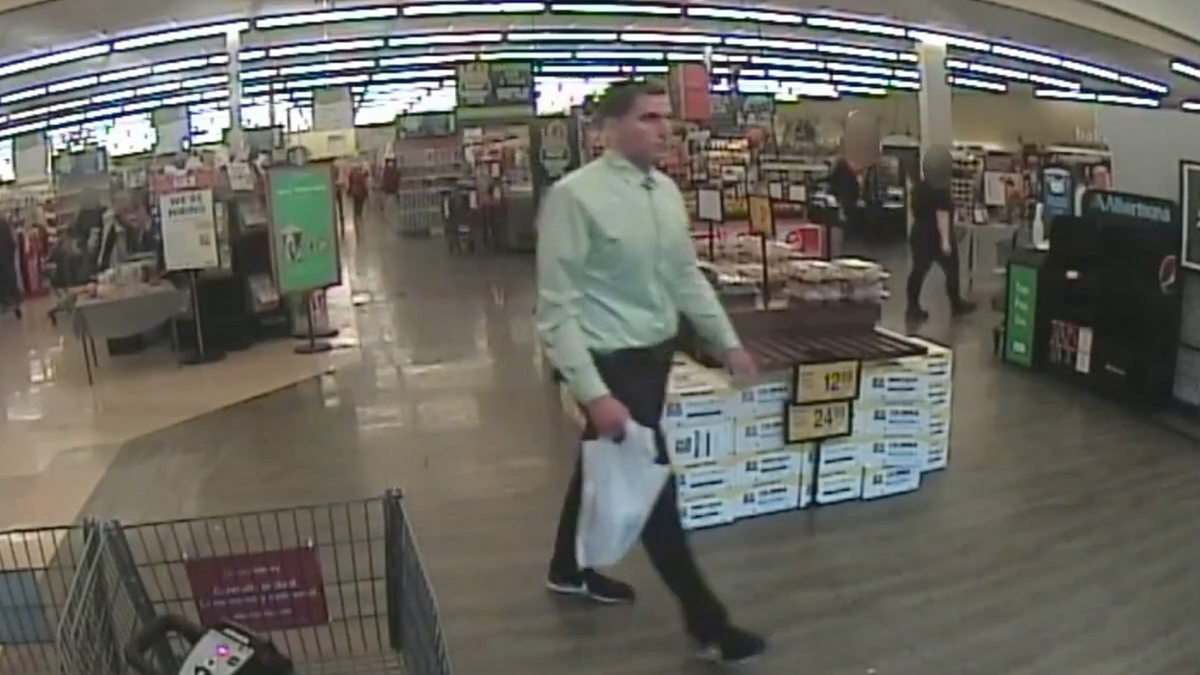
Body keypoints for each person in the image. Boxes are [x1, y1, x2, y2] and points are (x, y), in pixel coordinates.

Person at [536, 79, 766, 664]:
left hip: (657, 358)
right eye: (647, 118)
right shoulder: (573, 198)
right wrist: (591, 393)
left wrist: (727, 343)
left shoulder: (664, 192)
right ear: (608, 129)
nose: (662, 129)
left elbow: (684, 277)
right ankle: (708, 623)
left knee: (607, 461)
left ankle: (567, 569)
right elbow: (555, 310)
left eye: (665, 118)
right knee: (650, 483)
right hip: (613, 365)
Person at [905, 145, 976, 320]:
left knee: (918, 271)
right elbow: (942, 215)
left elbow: (915, 209)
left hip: (918, 232)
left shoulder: (919, 187)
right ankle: (956, 304)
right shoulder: (941, 190)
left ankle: (912, 307)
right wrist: (945, 241)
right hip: (935, 234)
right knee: (952, 269)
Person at [0, 215, 21, 318]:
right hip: (8, 256)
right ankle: (16, 300)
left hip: (3, 257)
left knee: (3, 281)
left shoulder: (3, 224)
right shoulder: (5, 224)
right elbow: (12, 242)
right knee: (11, 278)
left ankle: (5, 302)